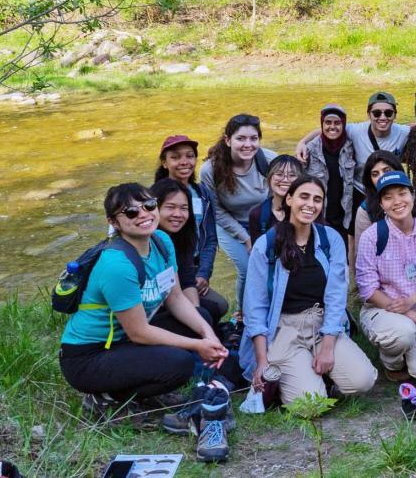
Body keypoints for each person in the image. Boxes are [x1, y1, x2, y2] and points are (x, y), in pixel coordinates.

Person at [59, 183, 228, 416]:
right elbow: (139, 332)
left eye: (149, 205)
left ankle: (137, 383)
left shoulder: (161, 241)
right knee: (180, 363)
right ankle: (106, 397)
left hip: (123, 341)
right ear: (113, 222)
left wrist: (208, 334)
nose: (144, 214)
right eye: (131, 212)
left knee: (201, 318)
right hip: (89, 357)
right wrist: (198, 346)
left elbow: (176, 297)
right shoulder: (117, 265)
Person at [241, 177, 377, 406]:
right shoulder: (266, 245)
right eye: (304, 196)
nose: (310, 204)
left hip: (322, 322)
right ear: (289, 199)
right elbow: (255, 305)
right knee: (311, 404)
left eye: (317, 199)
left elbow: (336, 296)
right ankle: (303, 378)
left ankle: (319, 372)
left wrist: (327, 347)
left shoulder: (330, 239)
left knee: (363, 381)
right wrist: (262, 360)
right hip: (284, 328)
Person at [356, 171, 416, 383]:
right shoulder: (372, 236)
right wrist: (409, 313)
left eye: (402, 193)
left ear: (413, 196)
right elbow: (368, 289)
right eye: (388, 197)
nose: (397, 202)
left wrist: (412, 303)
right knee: (402, 332)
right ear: (381, 204)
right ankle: (393, 362)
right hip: (383, 308)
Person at [200, 114, 277, 307]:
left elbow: (283, 193)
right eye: (240, 138)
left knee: (271, 266)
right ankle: (242, 313)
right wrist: (245, 237)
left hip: (264, 222)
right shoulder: (210, 170)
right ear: (228, 140)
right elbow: (215, 211)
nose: (248, 144)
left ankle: (272, 307)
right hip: (230, 224)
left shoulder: (269, 161)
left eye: (253, 138)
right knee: (247, 268)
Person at [154, 134, 227, 322]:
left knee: (220, 306)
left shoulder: (203, 194)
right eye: (175, 157)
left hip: (192, 267)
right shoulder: (154, 196)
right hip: (164, 271)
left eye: (189, 156)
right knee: (208, 310)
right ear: (164, 162)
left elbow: (210, 238)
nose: (184, 162)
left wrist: (203, 273)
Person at [296, 91, 411, 210]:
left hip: (389, 190)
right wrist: (302, 142)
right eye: (376, 113)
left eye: (388, 113)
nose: (382, 117)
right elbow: (329, 129)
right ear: (369, 115)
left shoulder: (404, 132)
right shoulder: (356, 130)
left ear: (395, 115)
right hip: (360, 192)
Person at [351, 151, 416, 262]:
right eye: (375, 174)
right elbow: (362, 258)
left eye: (387, 171)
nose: (382, 177)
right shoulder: (365, 211)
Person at [303, 104, 358, 247]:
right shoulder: (308, 149)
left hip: (345, 217)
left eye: (337, 123)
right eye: (328, 123)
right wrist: (301, 143)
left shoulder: (351, 146)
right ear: (322, 124)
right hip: (318, 216)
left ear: (343, 124)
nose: (332, 127)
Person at [247, 155, 306, 243]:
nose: (285, 180)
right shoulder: (257, 214)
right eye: (279, 174)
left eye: (292, 175)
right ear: (269, 178)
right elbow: (258, 253)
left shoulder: (307, 210)